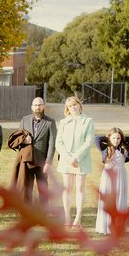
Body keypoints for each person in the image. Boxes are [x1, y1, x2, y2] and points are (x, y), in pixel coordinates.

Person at [55, 96, 95, 227]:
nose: (73, 107)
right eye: (70, 106)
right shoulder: (64, 122)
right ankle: (67, 218)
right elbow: (59, 142)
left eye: (75, 104)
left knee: (79, 189)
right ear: (67, 108)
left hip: (81, 160)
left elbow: (88, 142)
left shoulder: (88, 121)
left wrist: (76, 157)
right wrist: (67, 157)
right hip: (66, 160)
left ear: (79, 105)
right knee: (67, 189)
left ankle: (78, 218)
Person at [17, 97, 55, 204]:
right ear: (32, 107)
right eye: (35, 105)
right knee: (27, 187)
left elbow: (52, 144)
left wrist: (48, 162)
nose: (37, 107)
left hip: (42, 162)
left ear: (44, 106)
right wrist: (24, 141)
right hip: (27, 160)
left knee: (43, 188)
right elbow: (17, 138)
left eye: (40, 105)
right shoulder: (25, 120)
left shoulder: (50, 122)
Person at [95, 127, 128, 235]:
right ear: (109, 138)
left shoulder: (124, 148)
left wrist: (122, 138)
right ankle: (106, 226)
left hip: (120, 176)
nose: (116, 140)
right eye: (114, 138)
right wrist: (108, 138)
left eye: (118, 138)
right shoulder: (105, 148)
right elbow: (96, 139)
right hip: (109, 176)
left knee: (119, 199)